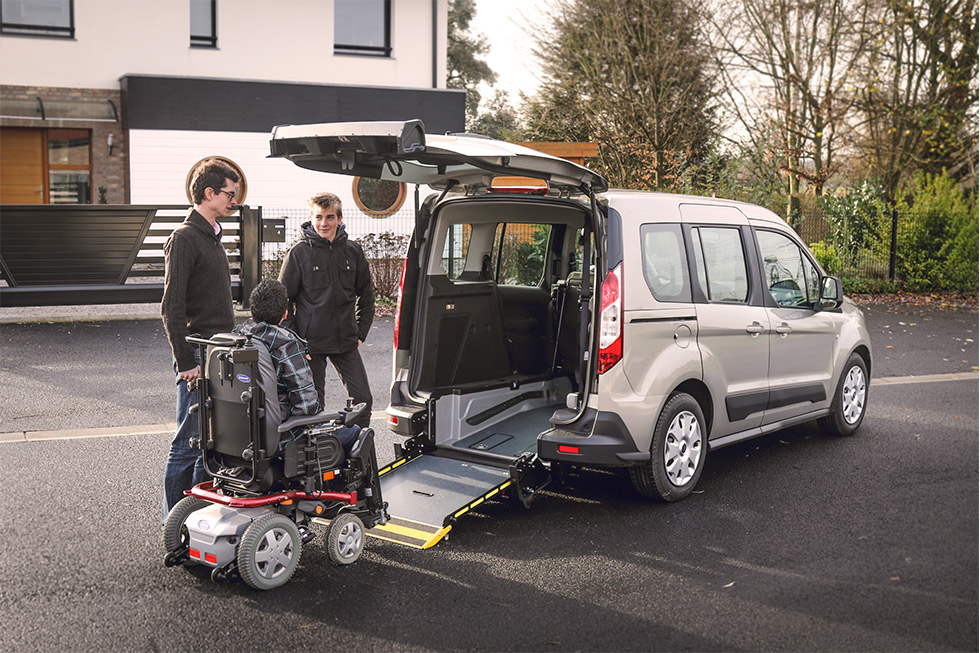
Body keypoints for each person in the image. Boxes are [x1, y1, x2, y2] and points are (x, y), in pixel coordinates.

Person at [160, 158, 239, 516]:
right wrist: (185, 362)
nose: (233, 200)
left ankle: (192, 520)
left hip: (218, 354)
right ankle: (171, 524)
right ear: (209, 193)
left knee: (206, 445)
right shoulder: (185, 238)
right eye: (229, 193)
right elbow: (171, 306)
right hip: (198, 358)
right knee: (187, 445)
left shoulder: (211, 237)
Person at [278, 192, 375, 429]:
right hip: (311, 345)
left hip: (346, 341)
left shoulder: (353, 251)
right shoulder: (298, 253)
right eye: (319, 217)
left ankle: (355, 446)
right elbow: (282, 302)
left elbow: (367, 294)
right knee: (312, 406)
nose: (324, 223)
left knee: (364, 399)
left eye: (330, 217)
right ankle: (316, 459)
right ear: (311, 218)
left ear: (339, 219)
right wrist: (296, 341)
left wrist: (360, 333)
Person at [234, 278, 359, 451]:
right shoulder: (285, 345)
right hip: (282, 439)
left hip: (238, 437)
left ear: (252, 309)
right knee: (356, 432)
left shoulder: (236, 338)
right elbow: (307, 407)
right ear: (285, 314)